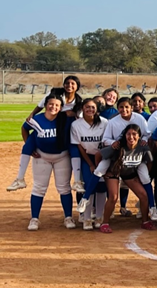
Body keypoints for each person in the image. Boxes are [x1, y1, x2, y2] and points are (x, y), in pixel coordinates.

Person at [23, 96, 75, 231]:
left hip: (62, 156)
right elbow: (24, 128)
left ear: (61, 107)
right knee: (39, 187)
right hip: (42, 156)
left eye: (57, 105)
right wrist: (30, 145)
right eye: (51, 104)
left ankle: (68, 217)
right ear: (46, 105)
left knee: (64, 187)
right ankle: (34, 219)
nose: (53, 107)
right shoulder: (37, 118)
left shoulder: (65, 118)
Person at [96, 125, 157, 233]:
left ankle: (145, 221)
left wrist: (139, 175)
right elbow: (98, 154)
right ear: (124, 135)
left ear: (139, 136)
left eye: (134, 134)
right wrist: (102, 172)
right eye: (128, 134)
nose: (131, 137)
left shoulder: (142, 146)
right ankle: (104, 222)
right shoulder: (118, 146)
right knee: (113, 197)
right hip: (114, 172)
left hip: (129, 173)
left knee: (143, 195)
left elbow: (150, 162)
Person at [72, 99, 108, 227]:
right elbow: (80, 146)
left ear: (97, 109)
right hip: (87, 158)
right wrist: (91, 164)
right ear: (82, 108)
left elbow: (106, 142)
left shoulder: (104, 122)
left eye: (93, 107)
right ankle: (86, 218)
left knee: (102, 187)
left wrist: (100, 162)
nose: (90, 110)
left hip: (103, 157)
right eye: (87, 107)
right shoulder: (76, 125)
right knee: (88, 185)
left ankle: (99, 217)